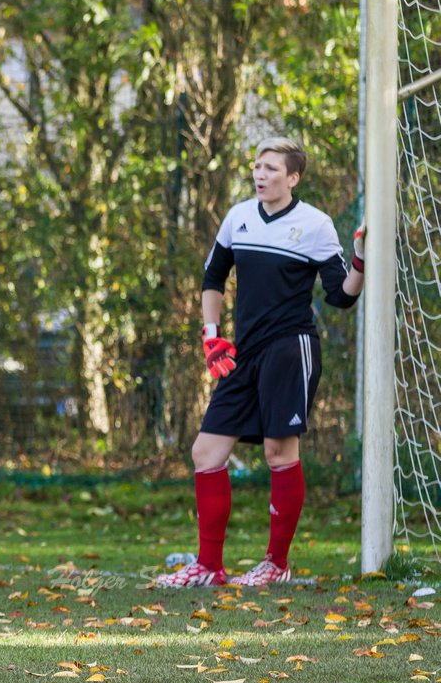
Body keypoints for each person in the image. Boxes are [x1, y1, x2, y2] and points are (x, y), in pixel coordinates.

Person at [156, 137, 365, 589]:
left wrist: (361, 261)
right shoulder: (239, 217)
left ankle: (276, 564)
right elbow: (213, 277)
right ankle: (209, 567)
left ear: (293, 178)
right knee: (205, 453)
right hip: (242, 354)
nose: (260, 174)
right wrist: (212, 336)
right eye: (257, 166)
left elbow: (340, 297)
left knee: (278, 453)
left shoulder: (315, 224)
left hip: (291, 350)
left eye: (271, 168)